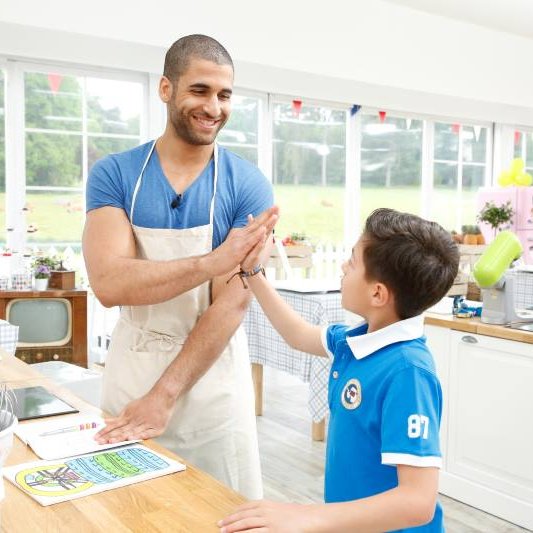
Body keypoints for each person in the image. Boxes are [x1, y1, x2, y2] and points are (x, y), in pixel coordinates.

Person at [82, 34, 278, 499]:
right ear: (166, 89)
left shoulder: (248, 185)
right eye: (200, 90)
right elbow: (110, 283)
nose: (214, 107)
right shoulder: (116, 174)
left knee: (220, 514)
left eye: (224, 95)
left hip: (213, 386)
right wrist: (214, 260)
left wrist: (165, 395)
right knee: (130, 513)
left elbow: (228, 306)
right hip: (132, 372)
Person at [219, 208, 459, 532]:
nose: (344, 266)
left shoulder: (408, 373)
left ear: (378, 293)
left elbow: (418, 502)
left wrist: (306, 516)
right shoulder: (354, 341)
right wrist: (253, 272)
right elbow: (297, 334)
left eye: (353, 260)